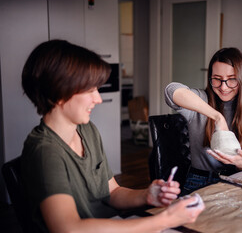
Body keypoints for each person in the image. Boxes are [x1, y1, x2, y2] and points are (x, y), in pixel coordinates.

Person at [21, 40, 204, 233]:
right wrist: (163, 220)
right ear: (59, 92)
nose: (98, 99)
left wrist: (148, 196)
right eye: (90, 89)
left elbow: (112, 192)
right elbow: (69, 228)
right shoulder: (45, 152)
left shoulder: (87, 130)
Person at [165, 47, 242, 194]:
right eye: (217, 79)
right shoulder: (202, 100)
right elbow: (171, 91)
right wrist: (218, 117)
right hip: (198, 181)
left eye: (231, 79)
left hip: (235, 180)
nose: (223, 87)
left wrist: (240, 162)